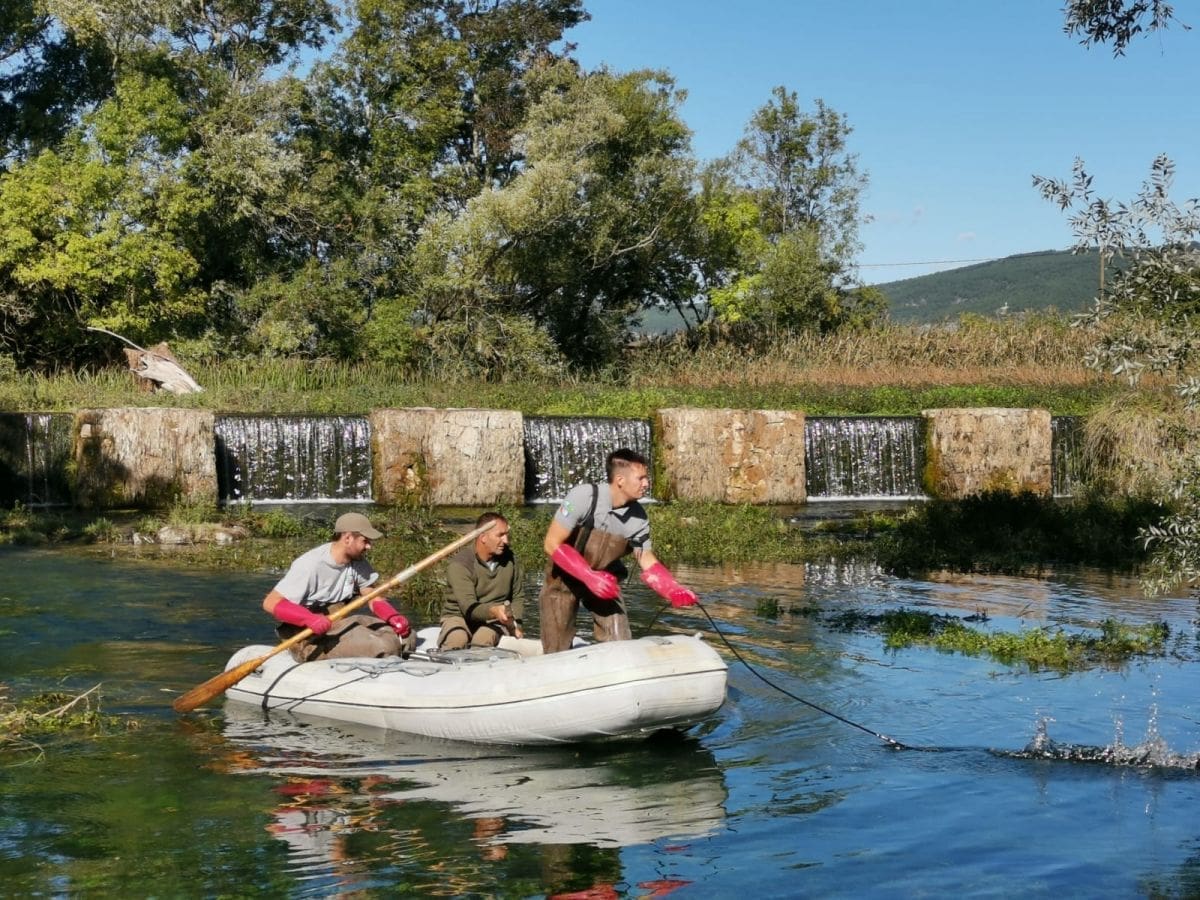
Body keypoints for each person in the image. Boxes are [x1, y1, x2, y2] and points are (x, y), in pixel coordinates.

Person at [538, 448, 698, 654]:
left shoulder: (639, 518)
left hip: (606, 581)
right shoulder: (584, 496)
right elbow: (552, 543)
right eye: (640, 478)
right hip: (563, 580)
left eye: (646, 478)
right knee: (556, 648)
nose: (646, 483)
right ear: (620, 480)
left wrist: (672, 588)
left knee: (620, 642)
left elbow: (645, 557)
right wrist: (588, 576)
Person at [262, 511, 414, 662]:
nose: (369, 546)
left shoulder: (357, 561)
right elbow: (270, 602)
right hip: (308, 638)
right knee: (383, 646)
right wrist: (309, 619)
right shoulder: (310, 565)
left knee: (408, 636)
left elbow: (371, 594)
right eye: (365, 540)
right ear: (347, 538)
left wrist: (392, 616)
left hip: (338, 624)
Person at [437, 512, 525, 650]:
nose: (506, 541)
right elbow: (468, 606)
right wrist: (493, 611)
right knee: (456, 640)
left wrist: (516, 625)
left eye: (506, 535)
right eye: (500, 535)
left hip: (496, 620)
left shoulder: (510, 560)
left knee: (483, 639)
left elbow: (518, 596)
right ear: (483, 537)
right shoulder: (461, 564)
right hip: (460, 616)